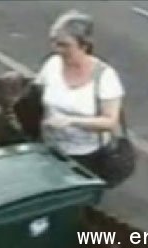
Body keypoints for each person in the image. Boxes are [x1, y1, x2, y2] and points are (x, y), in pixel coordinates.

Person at [29, 10, 126, 182]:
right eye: (54, 43)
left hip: (86, 157)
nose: (57, 50)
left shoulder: (105, 77)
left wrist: (71, 121)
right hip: (50, 148)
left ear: (84, 45)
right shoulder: (52, 65)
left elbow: (110, 122)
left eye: (65, 45)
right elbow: (36, 94)